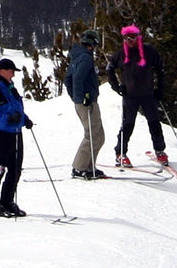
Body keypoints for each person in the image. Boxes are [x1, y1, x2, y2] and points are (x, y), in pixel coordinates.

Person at [105, 24, 167, 169]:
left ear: (138, 37)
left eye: (132, 37)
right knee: (127, 125)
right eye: (126, 37)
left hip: (148, 94)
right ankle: (120, 152)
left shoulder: (149, 51)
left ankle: (160, 150)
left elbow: (160, 69)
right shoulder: (120, 54)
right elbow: (110, 69)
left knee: (154, 123)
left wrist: (160, 88)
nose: (129, 40)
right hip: (130, 95)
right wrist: (117, 87)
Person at [0, 58, 32, 216]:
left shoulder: (11, 89)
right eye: (11, 71)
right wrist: (8, 120)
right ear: (2, 71)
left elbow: (16, 109)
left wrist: (25, 119)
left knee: (15, 170)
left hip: (15, 134)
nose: (13, 75)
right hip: (0, 135)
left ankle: (6, 202)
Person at [66, 29, 108, 179]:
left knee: (99, 135)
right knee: (93, 135)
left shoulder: (77, 56)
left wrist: (75, 97)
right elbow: (77, 79)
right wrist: (83, 97)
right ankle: (79, 168)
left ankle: (89, 166)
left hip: (84, 101)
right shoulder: (85, 58)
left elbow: (68, 79)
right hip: (87, 102)